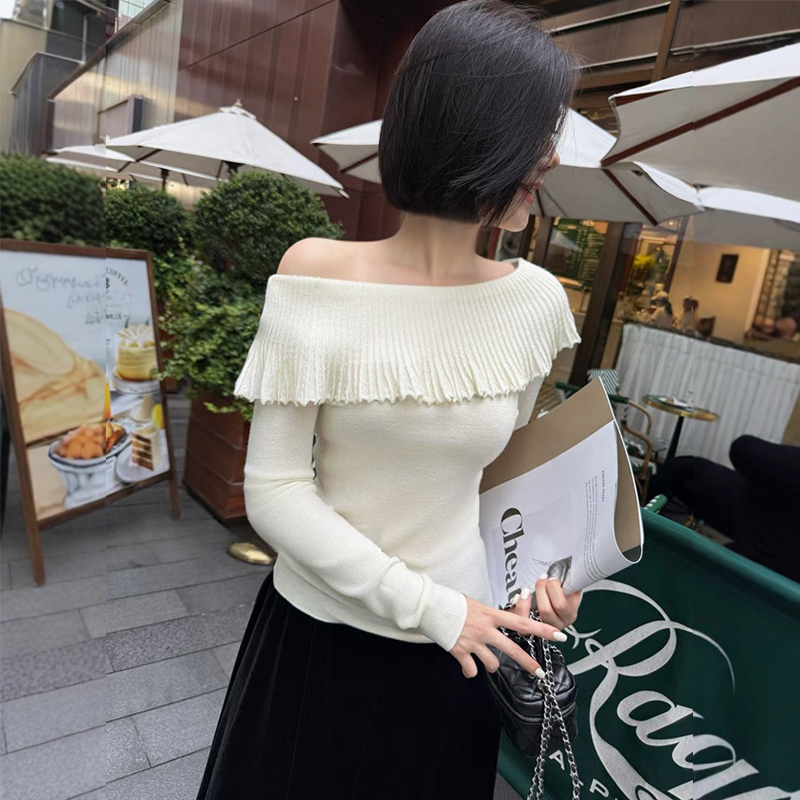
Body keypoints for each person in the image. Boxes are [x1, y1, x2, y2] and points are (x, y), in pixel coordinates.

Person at [194, 4, 583, 799]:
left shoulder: (537, 300)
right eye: (539, 131)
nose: (550, 156)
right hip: (323, 640)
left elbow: (501, 480)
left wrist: (543, 576)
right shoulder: (316, 273)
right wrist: (434, 607)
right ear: (479, 133)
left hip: (461, 653)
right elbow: (274, 490)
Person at [648, 435, 800, 584]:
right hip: (768, 549)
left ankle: (644, 527)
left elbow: (743, 448)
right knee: (684, 470)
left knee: (680, 470)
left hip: (750, 522)